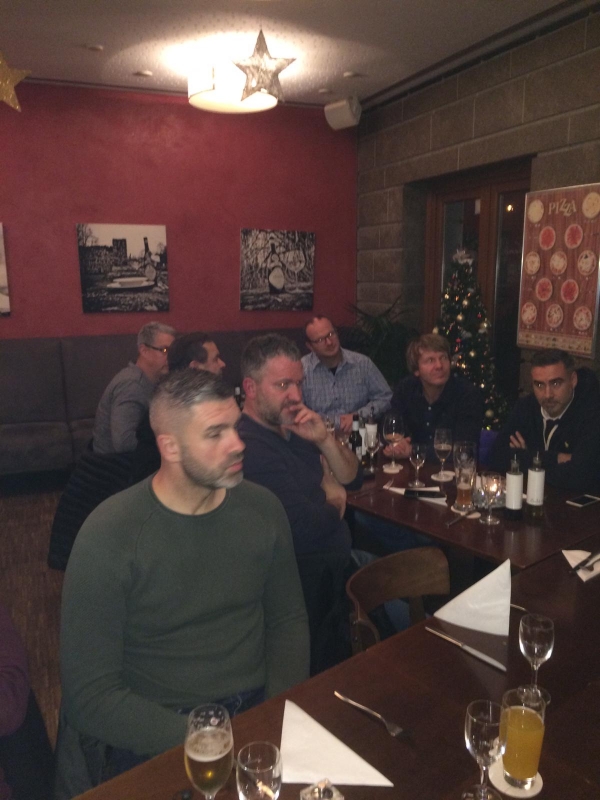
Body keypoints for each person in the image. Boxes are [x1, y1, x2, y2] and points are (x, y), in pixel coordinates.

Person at [57, 370, 309, 795]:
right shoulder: (109, 535)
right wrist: (205, 740)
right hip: (155, 727)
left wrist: (275, 714)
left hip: (256, 708)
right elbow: (90, 695)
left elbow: (288, 620)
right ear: (169, 446)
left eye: (235, 426)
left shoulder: (263, 509)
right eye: (215, 433)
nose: (238, 444)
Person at [239, 333, 362, 561]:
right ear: (250, 388)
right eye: (283, 385)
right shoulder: (250, 447)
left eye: (299, 383)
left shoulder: (295, 425)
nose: (296, 396)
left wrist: (325, 440)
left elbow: (353, 478)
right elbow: (302, 531)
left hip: (342, 560)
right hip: (310, 576)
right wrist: (336, 501)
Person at [489, 349, 600, 491]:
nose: (547, 395)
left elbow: (581, 475)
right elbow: (497, 457)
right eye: (539, 385)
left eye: (556, 383)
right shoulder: (526, 406)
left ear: (573, 380)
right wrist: (556, 458)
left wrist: (525, 457)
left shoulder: (592, 412)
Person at [131, 332, 226, 481]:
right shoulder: (170, 412)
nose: (222, 364)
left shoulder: (190, 402)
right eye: (215, 359)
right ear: (195, 368)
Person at [385, 333, 483, 461]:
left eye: (443, 358)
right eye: (430, 360)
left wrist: (413, 451)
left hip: (452, 471)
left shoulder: (467, 394)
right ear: (416, 370)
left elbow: (464, 450)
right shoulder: (406, 388)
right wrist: (398, 445)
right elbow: (389, 426)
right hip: (411, 469)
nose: (439, 366)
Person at [92, 321, 176, 454]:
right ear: (144, 350)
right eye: (164, 350)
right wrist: (169, 444)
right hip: (114, 463)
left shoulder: (153, 380)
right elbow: (124, 443)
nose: (170, 357)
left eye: (172, 351)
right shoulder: (132, 386)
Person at [301, 315, 392, 434]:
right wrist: (335, 423)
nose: (329, 342)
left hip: (359, 435)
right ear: (310, 346)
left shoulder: (362, 363)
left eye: (331, 334)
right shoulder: (301, 370)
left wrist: (358, 416)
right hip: (319, 437)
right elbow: (297, 411)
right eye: (320, 340)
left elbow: (386, 398)